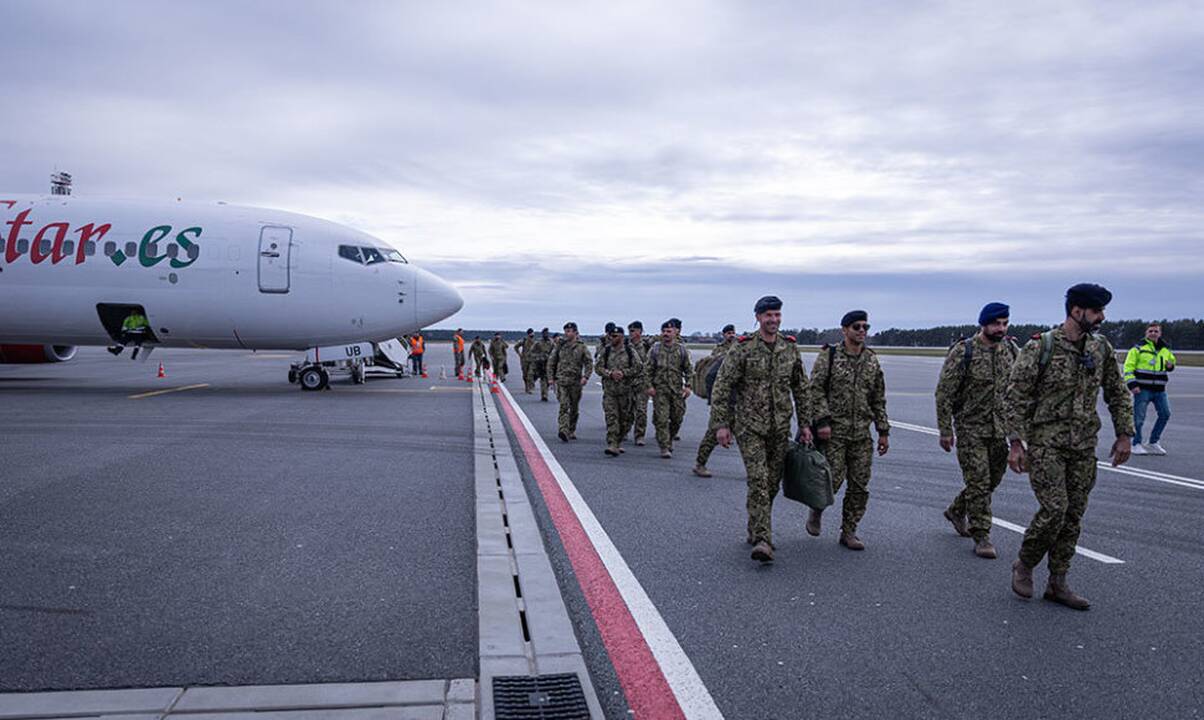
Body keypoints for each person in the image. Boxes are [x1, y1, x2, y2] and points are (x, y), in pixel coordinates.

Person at [1005, 283, 1134, 610]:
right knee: (1055, 510)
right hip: (1046, 445)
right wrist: (1016, 443)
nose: (1102, 317)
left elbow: (1117, 393)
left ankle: (1058, 582)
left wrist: (1125, 434)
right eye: (1097, 311)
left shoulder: (1100, 348)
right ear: (1077, 311)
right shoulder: (1040, 347)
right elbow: (1015, 397)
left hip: (1083, 446)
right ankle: (1025, 562)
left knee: (1073, 515)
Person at [711, 296, 811, 563]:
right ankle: (764, 540)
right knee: (758, 479)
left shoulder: (789, 348)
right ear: (757, 317)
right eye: (768, 315)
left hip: (779, 427)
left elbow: (801, 388)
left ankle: (755, 526)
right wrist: (722, 424)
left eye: (777, 315)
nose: (774, 320)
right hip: (749, 426)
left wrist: (805, 423)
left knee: (771, 484)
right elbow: (723, 386)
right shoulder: (743, 348)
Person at [934, 302, 1018, 559]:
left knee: (992, 479)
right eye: (996, 324)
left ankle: (957, 509)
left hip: (999, 429)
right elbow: (944, 393)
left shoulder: (1011, 350)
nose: (1001, 328)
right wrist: (945, 429)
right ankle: (981, 535)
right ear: (984, 324)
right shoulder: (964, 351)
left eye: (1005, 324)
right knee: (979, 483)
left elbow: (1018, 391)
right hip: (971, 428)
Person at [807, 310, 889, 551]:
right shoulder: (829, 356)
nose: (862, 330)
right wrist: (822, 422)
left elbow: (878, 398)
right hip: (834, 433)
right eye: (856, 326)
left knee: (860, 485)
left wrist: (883, 431)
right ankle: (817, 509)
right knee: (832, 481)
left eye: (865, 326)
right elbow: (816, 390)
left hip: (862, 434)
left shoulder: (872, 360)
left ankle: (849, 530)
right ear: (845, 330)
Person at [693, 324, 739, 477]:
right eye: (728, 333)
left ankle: (756, 471)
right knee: (714, 432)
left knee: (750, 437)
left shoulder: (746, 353)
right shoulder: (724, 355)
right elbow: (711, 376)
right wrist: (714, 399)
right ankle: (700, 463)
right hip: (725, 400)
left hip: (743, 403)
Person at [1125, 323, 1176, 455]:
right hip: (1142, 389)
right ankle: (1135, 443)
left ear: (1160, 334)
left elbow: (1171, 362)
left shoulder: (1165, 350)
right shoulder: (1137, 349)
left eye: (1156, 331)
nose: (1153, 333)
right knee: (1139, 418)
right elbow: (1128, 368)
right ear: (1146, 333)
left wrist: (1170, 366)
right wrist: (1132, 384)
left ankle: (1153, 442)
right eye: (1150, 331)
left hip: (1160, 389)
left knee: (1165, 414)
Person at [595, 322, 645, 456]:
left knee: (625, 419)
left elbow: (639, 367)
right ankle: (612, 444)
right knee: (611, 417)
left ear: (622, 337)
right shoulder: (605, 351)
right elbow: (598, 368)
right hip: (610, 391)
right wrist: (609, 374)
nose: (612, 338)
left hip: (625, 391)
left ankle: (618, 441)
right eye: (611, 335)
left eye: (615, 335)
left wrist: (624, 373)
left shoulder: (630, 351)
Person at [646, 318, 692, 458]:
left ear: (676, 332)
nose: (666, 333)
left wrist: (688, 386)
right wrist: (649, 386)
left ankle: (670, 438)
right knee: (662, 419)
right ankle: (664, 446)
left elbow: (689, 370)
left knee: (677, 417)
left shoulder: (682, 350)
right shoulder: (655, 349)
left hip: (676, 390)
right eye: (664, 331)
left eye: (669, 331)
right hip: (660, 390)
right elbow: (647, 370)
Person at [547, 322, 592, 441]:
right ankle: (563, 429)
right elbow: (552, 362)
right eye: (565, 331)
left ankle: (571, 429)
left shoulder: (582, 347)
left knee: (574, 408)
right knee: (563, 405)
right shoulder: (560, 346)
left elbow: (588, 363)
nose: (566, 333)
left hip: (576, 382)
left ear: (576, 333)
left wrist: (586, 377)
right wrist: (550, 378)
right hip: (561, 380)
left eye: (569, 331)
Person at [627, 321, 654, 446]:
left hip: (642, 383)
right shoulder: (625, 346)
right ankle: (623, 432)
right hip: (627, 383)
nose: (631, 333)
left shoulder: (647, 347)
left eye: (633, 331)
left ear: (640, 332)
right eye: (630, 331)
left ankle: (639, 435)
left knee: (641, 410)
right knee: (626, 410)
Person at [516, 328, 537, 393]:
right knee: (525, 375)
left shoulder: (535, 342)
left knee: (531, 374)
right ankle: (526, 387)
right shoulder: (524, 341)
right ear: (528, 334)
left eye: (533, 333)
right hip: (524, 360)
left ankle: (530, 388)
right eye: (531, 333)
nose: (532, 334)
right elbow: (516, 347)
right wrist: (519, 354)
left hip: (532, 360)